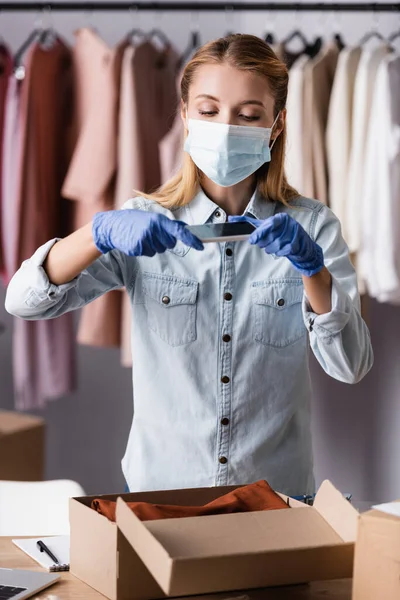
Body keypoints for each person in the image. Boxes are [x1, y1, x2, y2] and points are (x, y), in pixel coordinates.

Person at [5, 34, 373, 496]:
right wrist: (96, 233)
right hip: (161, 497)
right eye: (208, 109)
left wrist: (312, 271)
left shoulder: (313, 227)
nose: (225, 125)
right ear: (184, 116)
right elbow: (22, 302)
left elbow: (351, 365)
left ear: (275, 126)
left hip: (274, 500)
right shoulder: (143, 223)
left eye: (248, 115)